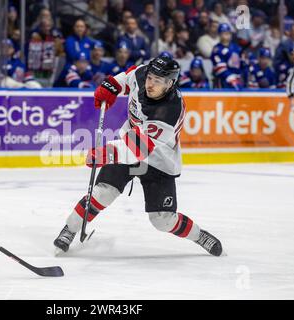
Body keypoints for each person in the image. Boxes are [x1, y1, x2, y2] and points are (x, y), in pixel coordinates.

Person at [53, 54, 223, 256]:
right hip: (128, 142)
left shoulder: (170, 112)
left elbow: (138, 150)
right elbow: (126, 78)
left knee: (162, 220)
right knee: (102, 193)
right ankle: (70, 228)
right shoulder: (144, 74)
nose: (150, 84)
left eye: (157, 81)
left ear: (170, 84)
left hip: (159, 160)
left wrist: (106, 153)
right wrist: (111, 87)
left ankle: (199, 235)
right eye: (150, 78)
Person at [211, 23, 242, 89]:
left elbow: (241, 62)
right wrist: (231, 79)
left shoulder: (236, 47)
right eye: (224, 33)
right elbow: (219, 68)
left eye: (228, 33)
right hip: (223, 81)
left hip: (238, 79)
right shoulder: (217, 49)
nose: (227, 35)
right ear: (219, 35)